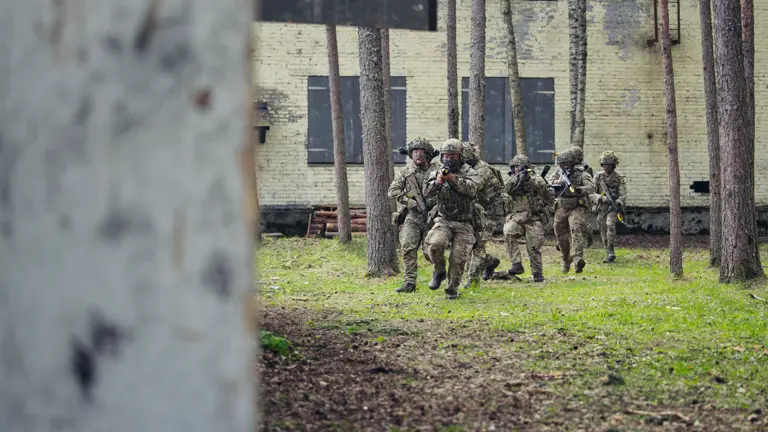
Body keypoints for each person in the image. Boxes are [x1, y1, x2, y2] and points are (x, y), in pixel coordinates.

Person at [422, 139, 481, 299]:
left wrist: (452, 179)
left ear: (460, 157)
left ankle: (452, 290)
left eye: (453, 156)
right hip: (443, 220)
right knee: (435, 244)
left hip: (465, 222)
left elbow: (473, 190)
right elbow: (426, 193)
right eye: (446, 156)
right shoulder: (436, 171)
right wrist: (437, 182)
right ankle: (438, 271)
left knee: (458, 258)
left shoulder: (470, 172)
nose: (449, 159)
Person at [388, 138, 439, 293]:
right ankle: (409, 282)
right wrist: (409, 201)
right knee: (408, 246)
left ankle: (439, 273)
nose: (418, 155)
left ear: (428, 155)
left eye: (422, 152)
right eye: (415, 152)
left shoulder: (437, 170)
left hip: (433, 216)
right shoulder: (406, 172)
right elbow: (393, 191)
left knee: (431, 251)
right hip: (413, 215)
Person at [504, 154, 553, 282]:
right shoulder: (512, 180)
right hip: (518, 218)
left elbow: (542, 185)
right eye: (515, 167)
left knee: (534, 246)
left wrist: (528, 178)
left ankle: (537, 274)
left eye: (520, 167)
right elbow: (507, 189)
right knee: (508, 231)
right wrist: (517, 178)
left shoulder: (535, 178)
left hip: (534, 218)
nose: (517, 169)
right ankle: (516, 264)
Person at [462, 142, 503, 288]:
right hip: (472, 214)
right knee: (468, 245)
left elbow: (471, 189)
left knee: (478, 244)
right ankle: (490, 262)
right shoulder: (467, 169)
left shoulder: (482, 170)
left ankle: (473, 280)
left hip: (488, 215)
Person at [549, 149, 595, 273]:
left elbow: (591, 187)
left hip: (577, 206)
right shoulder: (558, 173)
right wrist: (556, 183)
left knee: (575, 228)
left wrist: (579, 189)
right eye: (562, 164)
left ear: (572, 163)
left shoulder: (582, 174)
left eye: (567, 164)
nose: (564, 166)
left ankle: (578, 259)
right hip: (562, 207)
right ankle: (565, 259)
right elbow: (549, 185)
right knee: (559, 232)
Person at [592, 151, 627, 263]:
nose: (607, 167)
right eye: (604, 164)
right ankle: (607, 250)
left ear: (614, 165)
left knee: (610, 225)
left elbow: (623, 193)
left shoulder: (618, 177)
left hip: (613, 207)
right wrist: (600, 198)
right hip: (602, 207)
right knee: (602, 229)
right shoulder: (598, 177)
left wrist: (618, 201)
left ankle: (611, 250)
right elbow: (591, 192)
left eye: (609, 164)